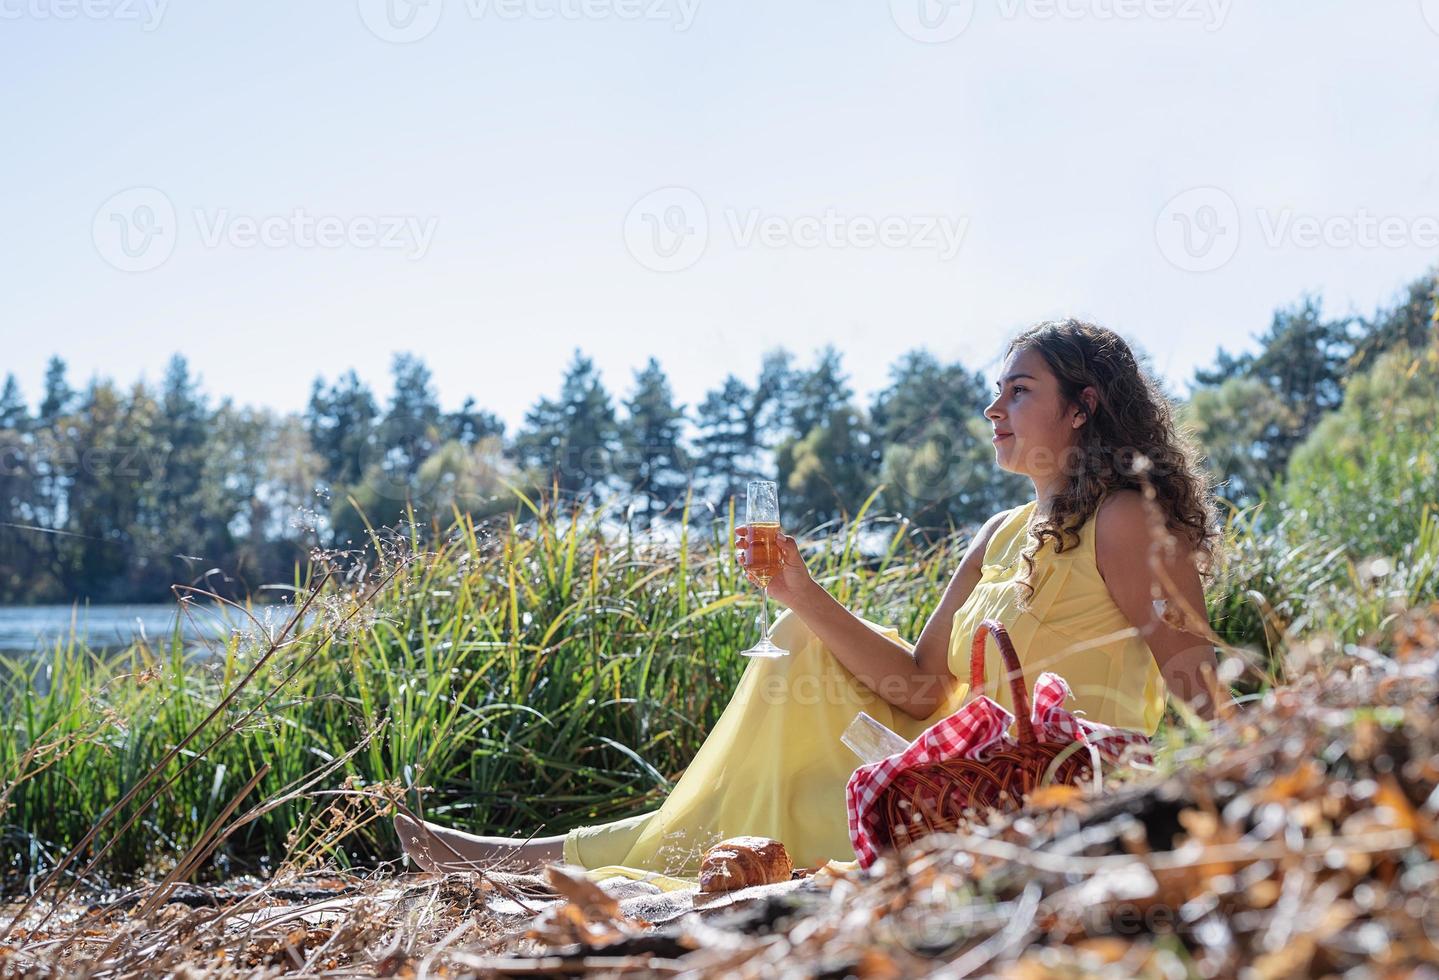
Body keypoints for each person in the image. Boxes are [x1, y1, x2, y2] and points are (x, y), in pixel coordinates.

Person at [394, 318, 1226, 876]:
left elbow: (1196, 682)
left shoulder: (1125, 519)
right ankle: (556, 858)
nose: (991, 408)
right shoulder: (997, 535)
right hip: (950, 767)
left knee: (791, 766)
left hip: (1046, 789)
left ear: (1083, 408)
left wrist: (1227, 803)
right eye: (997, 392)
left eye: (1018, 391)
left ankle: (542, 861)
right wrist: (800, 591)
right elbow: (922, 688)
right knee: (796, 647)